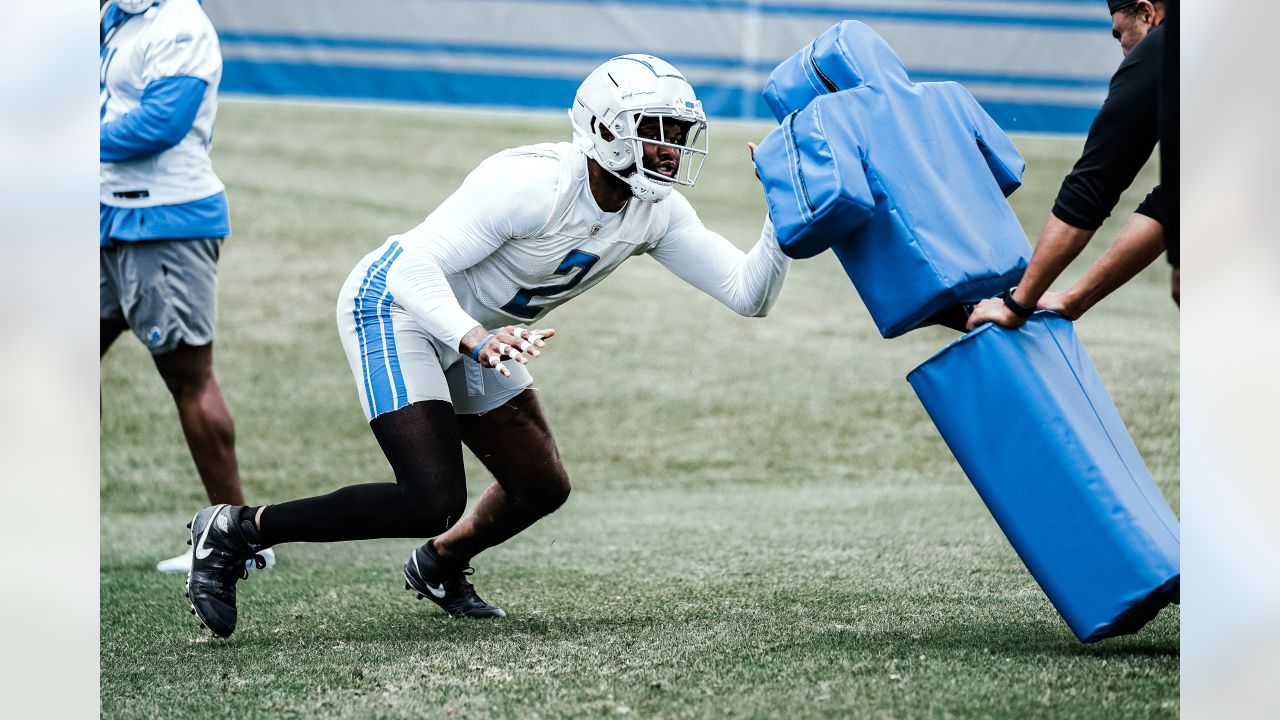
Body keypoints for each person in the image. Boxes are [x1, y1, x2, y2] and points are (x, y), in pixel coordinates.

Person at [182, 55, 792, 638]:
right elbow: (411, 269)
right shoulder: (531, 183)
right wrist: (474, 339)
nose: (673, 148)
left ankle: (439, 564)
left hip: (481, 333)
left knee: (541, 486)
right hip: (396, 307)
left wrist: (783, 216)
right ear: (606, 130)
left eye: (682, 132)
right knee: (429, 498)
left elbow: (748, 294)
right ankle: (237, 529)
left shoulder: (656, 211)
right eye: (659, 131)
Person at [100, 0, 274, 573]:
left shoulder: (181, 23)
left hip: (165, 225)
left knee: (189, 380)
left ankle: (240, 540)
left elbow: (161, 123)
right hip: (104, 217)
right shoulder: (118, 16)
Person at [967, 0, 1173, 328]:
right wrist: (1074, 299)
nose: (1123, 49)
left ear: (1147, 14)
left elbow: (1095, 183)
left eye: (1119, 34)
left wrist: (1017, 305)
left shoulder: (1167, 44)